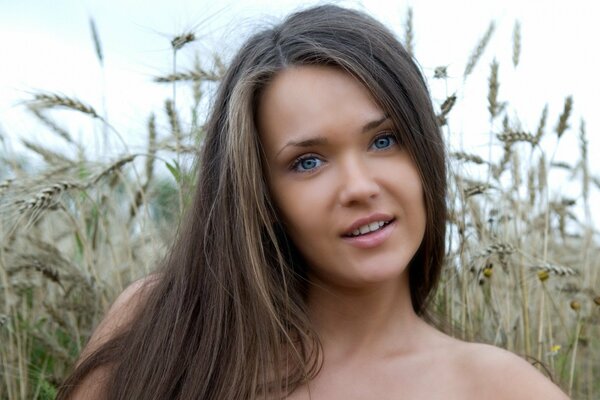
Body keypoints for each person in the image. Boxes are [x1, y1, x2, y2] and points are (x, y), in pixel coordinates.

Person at [57, 5, 569, 399]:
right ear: (260, 193)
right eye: (307, 162)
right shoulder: (164, 327)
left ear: (424, 155)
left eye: (384, 140)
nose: (359, 186)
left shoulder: (498, 387)